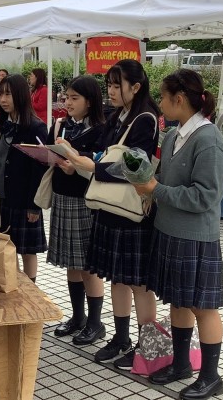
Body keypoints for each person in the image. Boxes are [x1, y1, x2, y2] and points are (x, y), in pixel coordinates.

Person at [134, 69, 223, 400]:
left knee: (203, 307)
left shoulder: (209, 140)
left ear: (179, 99)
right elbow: (166, 180)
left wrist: (155, 190)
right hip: (169, 230)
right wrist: (147, 183)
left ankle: (211, 377)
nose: (159, 103)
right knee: (178, 300)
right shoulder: (174, 135)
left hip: (195, 237)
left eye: (163, 97)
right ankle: (181, 364)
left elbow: (206, 196)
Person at [64, 59, 159, 370]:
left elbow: (136, 167)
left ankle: (146, 346)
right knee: (117, 277)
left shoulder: (145, 119)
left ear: (136, 87)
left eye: (117, 85)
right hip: (109, 207)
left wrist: (94, 167)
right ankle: (121, 338)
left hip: (130, 211)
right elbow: (103, 152)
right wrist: (76, 156)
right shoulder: (117, 116)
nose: (112, 91)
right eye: (109, 85)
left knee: (138, 283)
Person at [47, 76, 106, 345]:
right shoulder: (62, 125)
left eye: (74, 98)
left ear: (89, 101)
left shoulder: (101, 130)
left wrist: (76, 167)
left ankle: (95, 323)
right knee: (71, 262)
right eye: (66, 97)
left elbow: (101, 168)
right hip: (62, 196)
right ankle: (78, 317)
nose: (68, 103)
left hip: (85, 200)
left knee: (87, 265)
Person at [0, 74, 47, 282]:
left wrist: (34, 205)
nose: (3, 100)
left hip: (23, 199)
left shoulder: (36, 127)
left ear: (20, 95)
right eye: (0, 94)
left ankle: (31, 288)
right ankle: (12, 284)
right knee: (6, 246)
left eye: (8, 94)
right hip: (0, 196)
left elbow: (39, 168)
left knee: (27, 250)